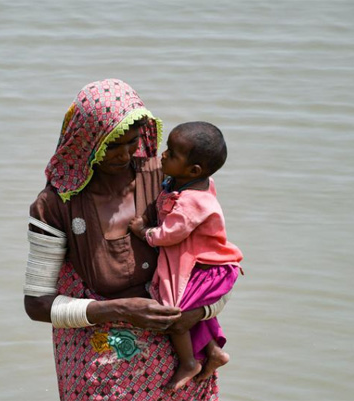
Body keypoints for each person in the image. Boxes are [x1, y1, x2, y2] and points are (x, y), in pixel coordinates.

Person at [24, 78, 229, 400]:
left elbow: (218, 267)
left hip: (178, 356)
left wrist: (198, 314)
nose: (123, 155)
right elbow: (37, 305)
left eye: (131, 142)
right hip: (98, 363)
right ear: (84, 142)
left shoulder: (171, 180)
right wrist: (118, 310)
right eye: (110, 145)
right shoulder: (56, 204)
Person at [129, 121, 244, 391]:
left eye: (172, 153)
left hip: (205, 267)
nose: (164, 155)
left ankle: (189, 362)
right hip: (208, 263)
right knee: (194, 307)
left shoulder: (192, 202)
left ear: (194, 170)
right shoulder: (193, 183)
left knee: (173, 314)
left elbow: (170, 234)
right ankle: (214, 352)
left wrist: (143, 231)